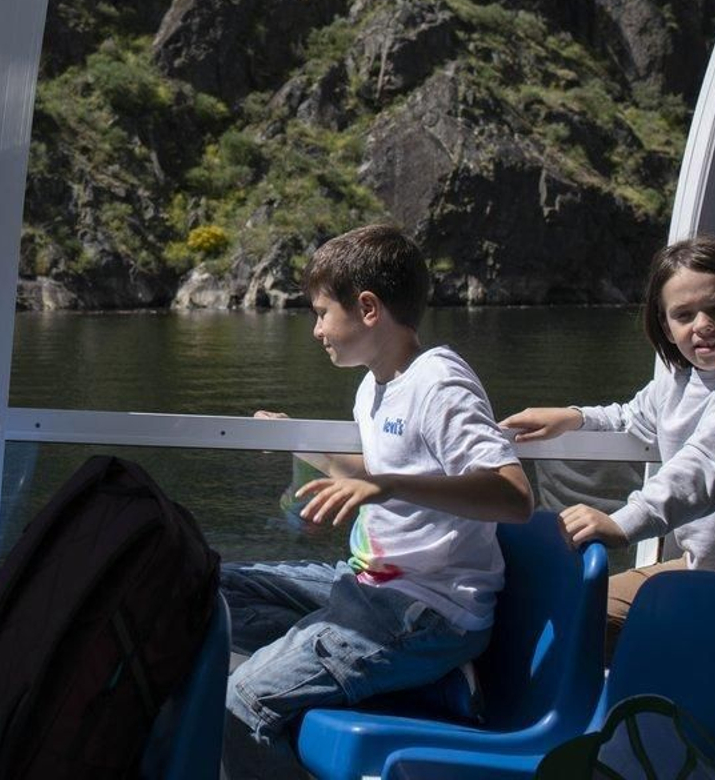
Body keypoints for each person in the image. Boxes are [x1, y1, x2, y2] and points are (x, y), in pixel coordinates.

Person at [224, 224, 534, 778]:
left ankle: (419, 668)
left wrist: (388, 487)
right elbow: (383, 472)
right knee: (216, 587)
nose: (317, 329)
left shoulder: (439, 384)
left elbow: (513, 496)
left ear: (368, 308)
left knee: (237, 704)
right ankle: (422, 680)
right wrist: (297, 439)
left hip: (428, 611)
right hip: (366, 582)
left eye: (321, 313)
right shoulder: (375, 386)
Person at [503, 234, 715, 666]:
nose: (702, 325)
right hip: (704, 572)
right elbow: (632, 415)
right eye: (684, 315)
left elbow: (711, 464)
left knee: (658, 652)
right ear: (666, 326)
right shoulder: (678, 380)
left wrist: (624, 523)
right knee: (566, 612)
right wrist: (573, 417)